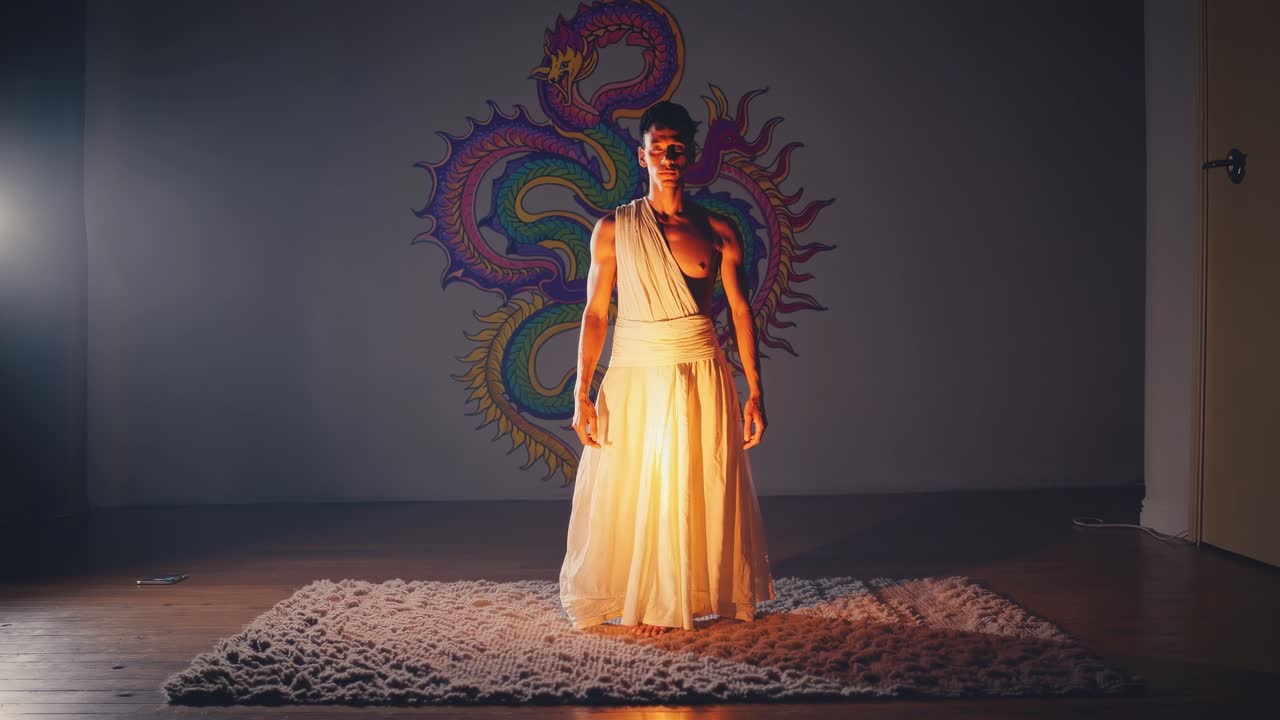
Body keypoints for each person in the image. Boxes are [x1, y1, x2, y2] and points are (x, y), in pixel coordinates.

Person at [558, 101, 775, 638]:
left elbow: (742, 311)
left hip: (700, 365)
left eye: (677, 148)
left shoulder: (719, 230)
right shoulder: (613, 229)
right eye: (657, 149)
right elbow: (595, 312)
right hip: (636, 368)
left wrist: (756, 390)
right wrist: (581, 390)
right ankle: (651, 594)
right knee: (640, 480)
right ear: (642, 155)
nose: (668, 158)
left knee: (697, 478)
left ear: (691, 154)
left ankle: (692, 591)